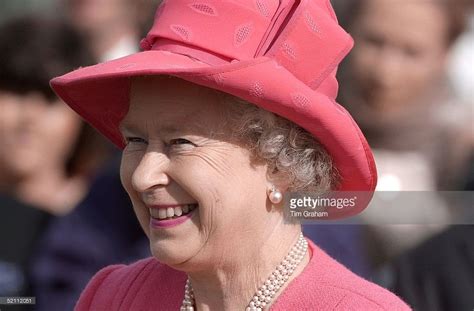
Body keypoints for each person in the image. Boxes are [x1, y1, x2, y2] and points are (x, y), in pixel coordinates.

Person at [50, 0, 410, 309]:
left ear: (282, 163)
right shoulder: (114, 298)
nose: (143, 176)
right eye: (136, 141)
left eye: (180, 143)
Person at [0, 15, 110, 306]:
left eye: (50, 99)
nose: (29, 117)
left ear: (82, 118)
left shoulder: (110, 224)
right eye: (17, 92)